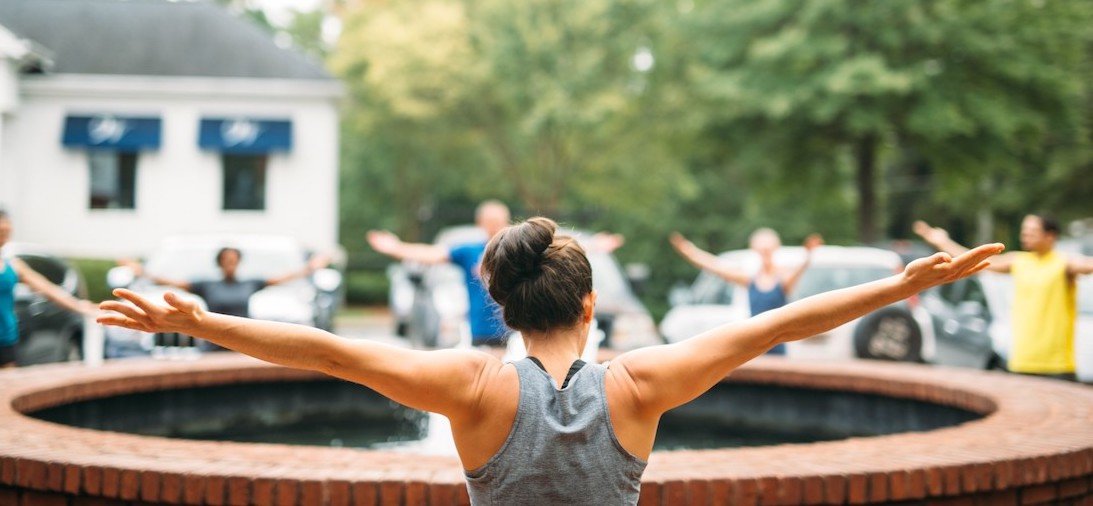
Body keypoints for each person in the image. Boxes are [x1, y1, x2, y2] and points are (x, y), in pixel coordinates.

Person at [97, 216, 1001, 504]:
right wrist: (894, 285)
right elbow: (776, 326)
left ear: (502, 306)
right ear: (588, 303)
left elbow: (326, 352)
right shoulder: (641, 385)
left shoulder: (470, 384)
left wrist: (209, 321)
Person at [915, 215, 1093, 380]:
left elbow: (1086, 265)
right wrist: (942, 242)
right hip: (1022, 362)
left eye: (1032, 231)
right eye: (1024, 231)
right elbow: (972, 260)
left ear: (1050, 236)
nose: (1025, 235)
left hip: (1057, 366)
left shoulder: (1064, 263)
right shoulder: (1019, 262)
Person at [119, 247, 330, 350]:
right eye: (226, 260)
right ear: (220, 263)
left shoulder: (250, 283)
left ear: (239, 262)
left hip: (244, 342)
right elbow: (170, 282)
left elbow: (283, 278)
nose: (230, 264)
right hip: (212, 343)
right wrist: (142, 272)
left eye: (234, 260)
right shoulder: (207, 285)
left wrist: (310, 268)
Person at [367, 200, 512, 347]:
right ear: (480, 223)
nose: (494, 226)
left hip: (512, 332)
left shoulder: (515, 251)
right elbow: (432, 253)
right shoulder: (470, 252)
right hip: (480, 332)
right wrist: (396, 248)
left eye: (498, 221)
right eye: (490, 221)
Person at [670, 228, 823, 354]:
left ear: (775, 249)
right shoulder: (750, 279)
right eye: (762, 250)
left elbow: (799, 269)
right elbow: (715, 266)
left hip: (777, 344)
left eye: (768, 250)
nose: (765, 254)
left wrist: (808, 255)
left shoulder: (782, 278)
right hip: (753, 343)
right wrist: (689, 251)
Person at [0, 210, 98, 367]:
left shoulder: (13, 265)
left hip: (6, 337)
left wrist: (80, 306)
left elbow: (47, 288)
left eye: (8, 229)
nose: (5, 233)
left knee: (8, 384)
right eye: (2, 229)